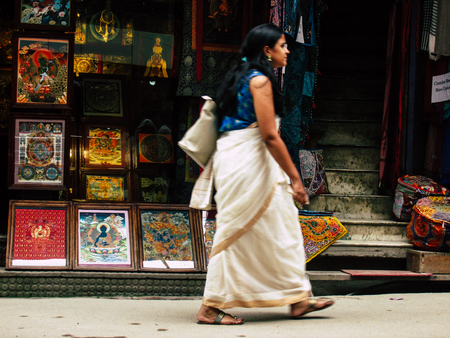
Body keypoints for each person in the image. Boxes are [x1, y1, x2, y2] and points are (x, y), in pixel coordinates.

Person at [195, 23, 334, 325]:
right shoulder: (259, 81)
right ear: (266, 51)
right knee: (233, 232)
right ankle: (210, 306)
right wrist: (296, 180)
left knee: (282, 228)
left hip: (243, 160)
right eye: (283, 45)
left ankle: (297, 298)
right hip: (247, 164)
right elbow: (270, 136)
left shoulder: (245, 76)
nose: (287, 50)